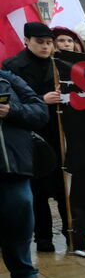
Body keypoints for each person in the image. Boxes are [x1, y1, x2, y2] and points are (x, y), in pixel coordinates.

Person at [3, 22, 65, 254]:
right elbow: (15, 102)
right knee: (37, 190)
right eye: (40, 42)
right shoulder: (13, 66)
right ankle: (43, 238)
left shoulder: (59, 63)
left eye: (49, 42)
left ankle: (70, 232)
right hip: (31, 136)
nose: (46, 47)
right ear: (27, 41)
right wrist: (42, 99)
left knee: (61, 188)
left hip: (58, 133)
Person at [0, 65, 50, 278]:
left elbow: (40, 112)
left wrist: (11, 111)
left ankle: (24, 273)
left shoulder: (9, 79)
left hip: (12, 165)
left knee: (21, 211)